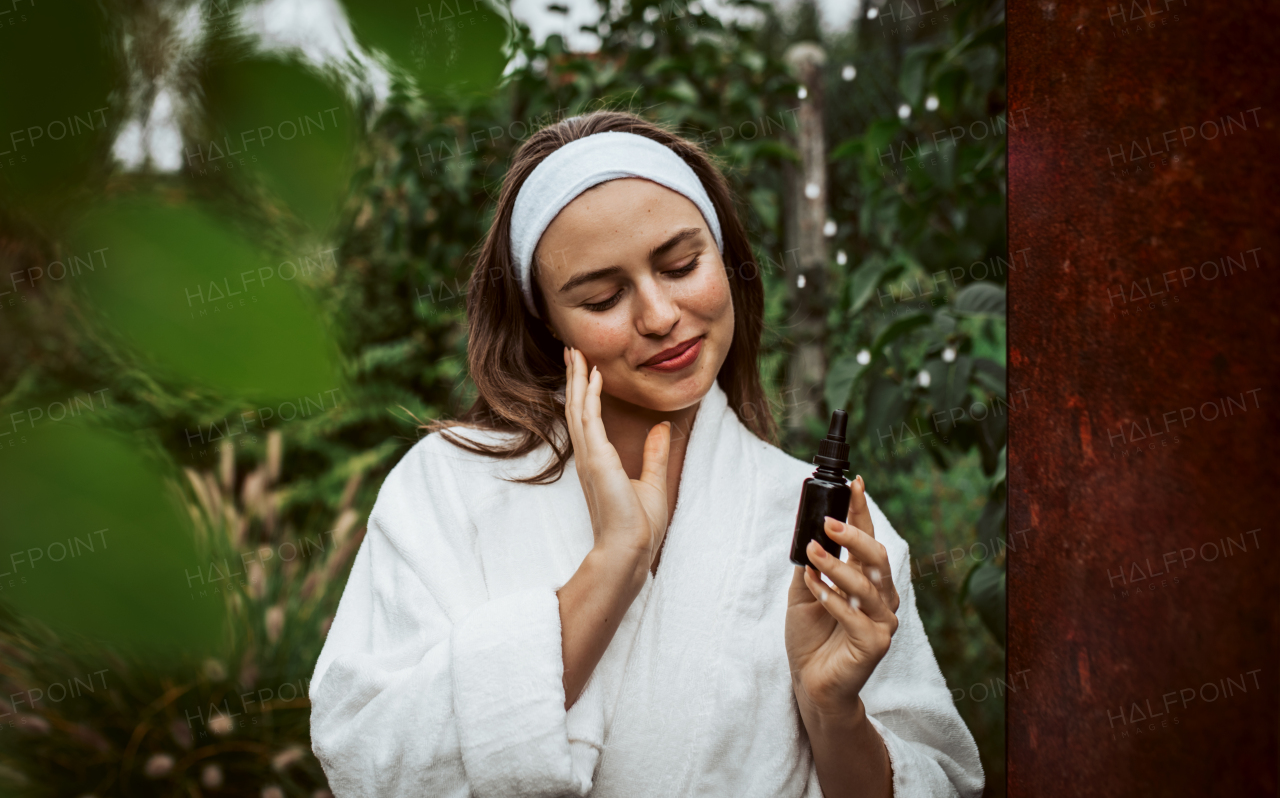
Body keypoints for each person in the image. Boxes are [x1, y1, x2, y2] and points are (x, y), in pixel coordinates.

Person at [309, 110, 984, 797]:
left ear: (725, 256)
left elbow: (944, 780)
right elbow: (368, 757)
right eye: (602, 296)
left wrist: (832, 711)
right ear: (545, 318)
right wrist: (613, 564)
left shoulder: (826, 531)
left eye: (682, 264)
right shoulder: (447, 488)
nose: (659, 315)